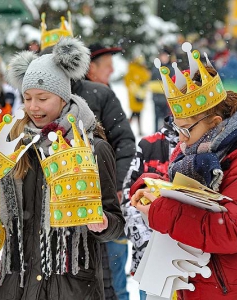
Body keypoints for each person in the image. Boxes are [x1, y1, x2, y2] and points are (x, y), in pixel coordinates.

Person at [0, 37, 125, 300]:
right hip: (16, 285)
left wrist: (103, 223)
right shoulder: (13, 147)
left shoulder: (93, 149)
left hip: (69, 287)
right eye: (28, 97)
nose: (33, 107)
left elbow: (117, 223)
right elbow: (0, 221)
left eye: (42, 98)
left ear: (63, 97)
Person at [130, 44, 237, 299]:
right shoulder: (197, 147)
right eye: (177, 128)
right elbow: (183, 189)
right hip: (197, 284)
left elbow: (232, 231)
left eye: (186, 129)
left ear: (215, 124)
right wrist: (151, 185)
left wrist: (161, 210)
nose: (180, 139)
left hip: (229, 290)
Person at [86, 42, 131, 300]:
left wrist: (116, 184)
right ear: (91, 68)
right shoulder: (69, 95)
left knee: (113, 276)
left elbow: (124, 143)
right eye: (107, 66)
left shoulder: (104, 94)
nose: (112, 70)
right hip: (79, 203)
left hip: (107, 200)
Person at [121, 116, 179, 300]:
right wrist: (147, 243)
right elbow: (129, 198)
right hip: (149, 263)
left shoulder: (209, 147)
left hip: (192, 265)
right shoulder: (149, 145)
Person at [148, 48, 174, 132]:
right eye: (162, 56)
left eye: (166, 56)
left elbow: (174, 83)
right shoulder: (155, 70)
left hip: (168, 100)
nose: (164, 58)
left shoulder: (171, 69)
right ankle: (156, 134)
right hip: (158, 99)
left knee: (168, 120)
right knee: (157, 119)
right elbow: (151, 84)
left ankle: (167, 134)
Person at [125, 55, 151, 136]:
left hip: (139, 95)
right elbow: (131, 81)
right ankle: (126, 128)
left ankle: (130, 129)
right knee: (135, 113)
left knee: (137, 114)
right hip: (135, 96)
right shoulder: (134, 69)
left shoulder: (136, 69)